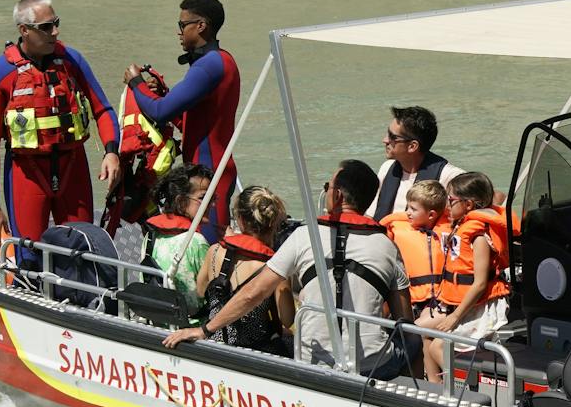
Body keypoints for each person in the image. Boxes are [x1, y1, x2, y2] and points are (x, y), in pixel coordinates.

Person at [165, 160, 412, 380]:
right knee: (413, 342)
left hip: (312, 360)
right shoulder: (388, 245)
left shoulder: (305, 236)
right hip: (371, 365)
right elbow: (405, 318)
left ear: (336, 196)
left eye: (327, 187)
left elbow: (253, 292)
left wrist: (204, 330)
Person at [0, 0, 120, 251]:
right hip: (27, 173)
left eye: (56, 23)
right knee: (29, 252)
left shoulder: (72, 61)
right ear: (24, 30)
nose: (55, 32)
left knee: (81, 248)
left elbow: (104, 109)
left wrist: (111, 153)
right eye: (45, 27)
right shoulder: (0, 74)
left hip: (73, 167)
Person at [123, 0, 241, 240]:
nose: (178, 32)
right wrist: (163, 93)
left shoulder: (208, 66)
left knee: (205, 245)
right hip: (211, 170)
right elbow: (194, 122)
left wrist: (136, 83)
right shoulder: (223, 60)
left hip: (208, 177)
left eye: (182, 25)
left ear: (201, 25)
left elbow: (160, 111)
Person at [418, 171, 511, 382]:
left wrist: (454, 317)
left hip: (482, 307)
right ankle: (434, 386)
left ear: (468, 205)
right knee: (420, 330)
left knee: (438, 346)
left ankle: (460, 392)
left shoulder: (479, 236)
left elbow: (479, 284)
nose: (447, 206)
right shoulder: (461, 225)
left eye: (451, 201)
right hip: (460, 303)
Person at [197, 185, 294, 355]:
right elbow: (288, 319)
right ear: (273, 223)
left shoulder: (214, 251)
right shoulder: (274, 266)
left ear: (240, 220)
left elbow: (200, 290)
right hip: (255, 350)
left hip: (214, 341)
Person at [371, 105, 463, 220]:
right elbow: (370, 215)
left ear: (412, 146)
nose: (385, 140)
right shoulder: (387, 168)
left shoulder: (449, 177)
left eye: (392, 137)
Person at [380, 179, 451, 320]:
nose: (407, 213)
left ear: (431, 215)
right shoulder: (395, 228)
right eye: (407, 207)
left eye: (413, 209)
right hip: (408, 299)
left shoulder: (450, 231)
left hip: (440, 301)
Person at [142, 165, 212, 303]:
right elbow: (209, 291)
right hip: (193, 321)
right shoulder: (197, 242)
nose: (212, 204)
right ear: (180, 201)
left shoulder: (150, 236)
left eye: (213, 197)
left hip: (158, 315)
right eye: (204, 197)